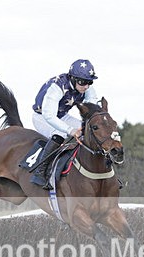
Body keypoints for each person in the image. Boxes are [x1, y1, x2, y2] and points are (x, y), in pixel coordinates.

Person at [30, 59, 100, 189]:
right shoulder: (57, 86)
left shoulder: (86, 88)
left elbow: (92, 109)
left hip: (62, 116)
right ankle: (40, 171)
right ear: (73, 78)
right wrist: (71, 130)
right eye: (83, 82)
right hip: (42, 117)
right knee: (61, 132)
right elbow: (49, 115)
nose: (86, 86)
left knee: (90, 131)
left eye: (89, 82)